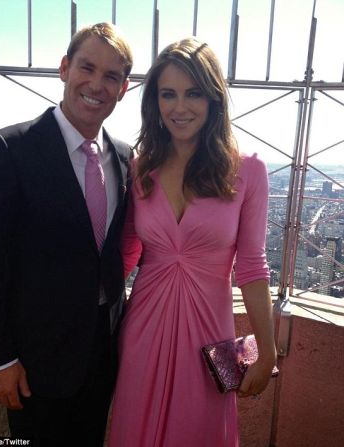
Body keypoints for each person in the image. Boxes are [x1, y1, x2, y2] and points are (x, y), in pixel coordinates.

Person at [0, 22, 133, 446]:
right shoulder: (9, 148)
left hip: (103, 351)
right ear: (64, 68)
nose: (97, 84)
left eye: (111, 76)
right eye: (87, 68)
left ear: (124, 89)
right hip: (34, 360)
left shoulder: (124, 156)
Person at [107, 38, 277, 447]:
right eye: (168, 94)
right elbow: (126, 254)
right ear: (154, 101)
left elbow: (252, 267)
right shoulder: (140, 169)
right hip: (142, 330)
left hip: (209, 338)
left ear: (213, 97)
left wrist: (267, 352)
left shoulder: (248, 171)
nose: (179, 107)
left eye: (193, 93)